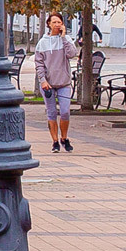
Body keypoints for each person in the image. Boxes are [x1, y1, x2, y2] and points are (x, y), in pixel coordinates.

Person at [33, 13, 77, 153]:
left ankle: (64, 138)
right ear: (49, 24)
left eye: (59, 22)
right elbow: (39, 63)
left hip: (63, 82)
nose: (57, 24)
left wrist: (64, 38)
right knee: (51, 113)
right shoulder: (43, 42)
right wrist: (43, 80)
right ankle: (55, 141)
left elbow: (72, 54)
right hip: (48, 84)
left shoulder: (66, 40)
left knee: (65, 112)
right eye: (54, 22)